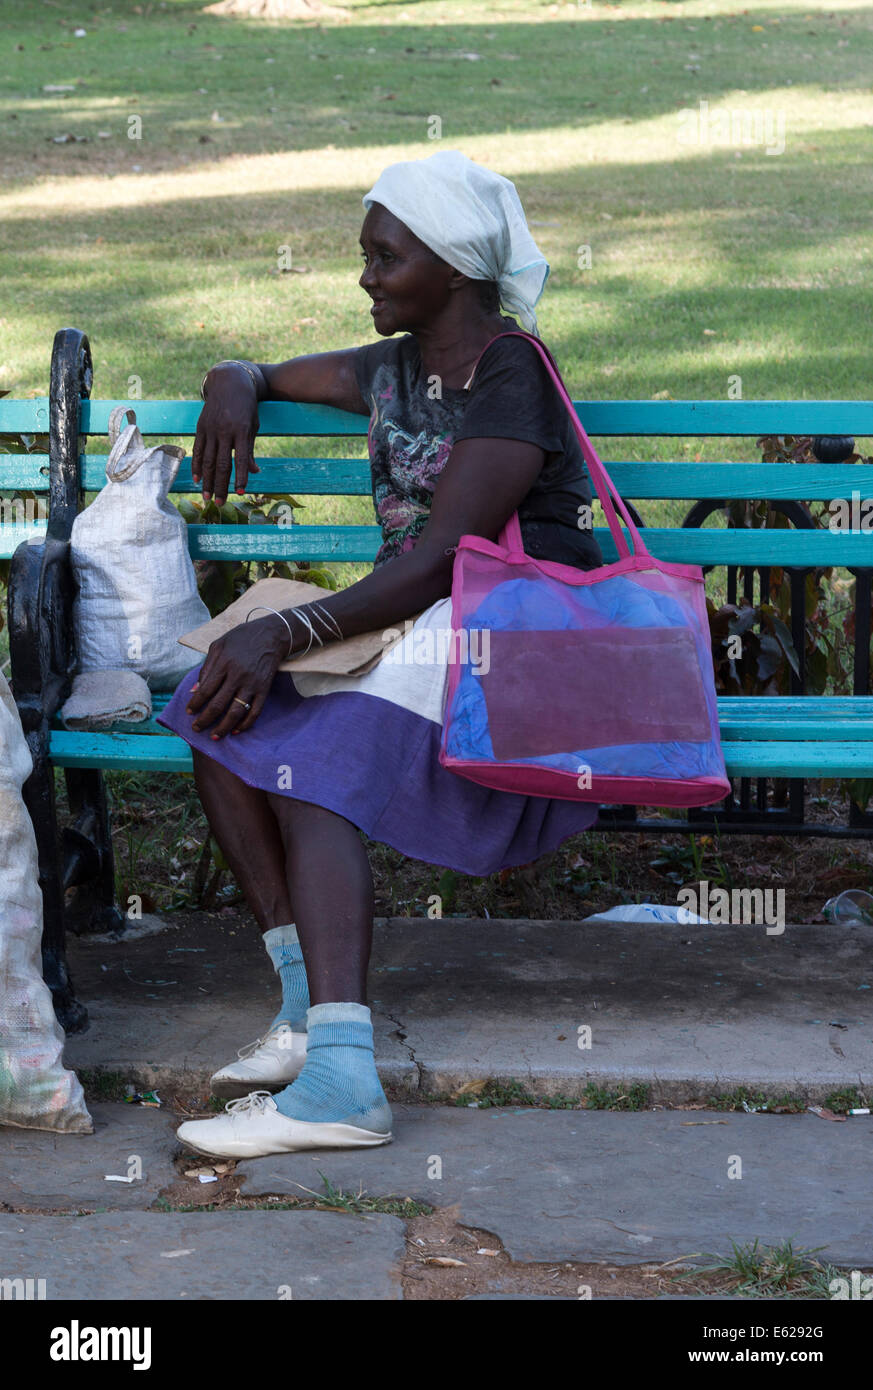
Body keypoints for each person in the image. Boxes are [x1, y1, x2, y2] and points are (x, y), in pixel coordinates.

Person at [159, 149, 603, 1161]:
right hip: (426, 620)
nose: (364, 275)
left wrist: (287, 629)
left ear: (450, 266)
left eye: (384, 257)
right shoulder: (391, 366)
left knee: (313, 757)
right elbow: (273, 374)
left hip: (509, 631)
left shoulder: (512, 371)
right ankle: (308, 1013)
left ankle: (344, 1084)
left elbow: (451, 553)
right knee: (216, 703)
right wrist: (236, 377)